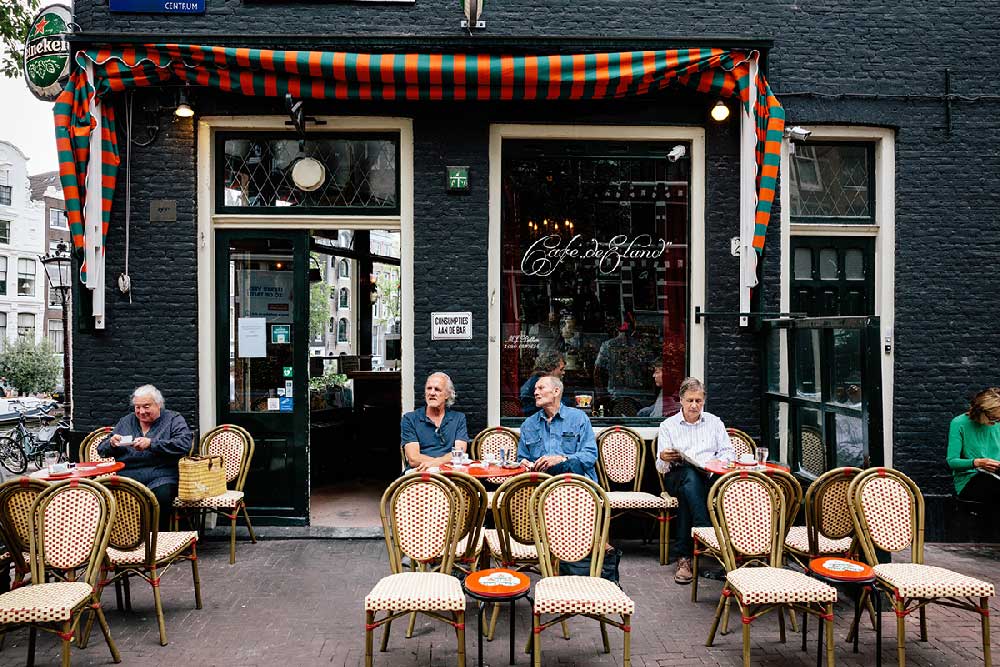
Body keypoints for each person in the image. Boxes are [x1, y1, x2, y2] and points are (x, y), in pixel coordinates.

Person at [655, 377, 735, 585]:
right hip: (677, 475)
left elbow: (729, 453)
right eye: (690, 400)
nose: (694, 405)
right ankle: (707, 532)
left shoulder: (714, 422)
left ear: (704, 401)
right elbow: (661, 467)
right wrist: (664, 458)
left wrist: (716, 461)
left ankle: (684, 558)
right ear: (680, 400)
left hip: (708, 477)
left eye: (698, 401)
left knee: (688, 494)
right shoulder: (668, 425)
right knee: (688, 477)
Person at [97, 385, 193, 526]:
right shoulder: (126, 422)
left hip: (162, 476)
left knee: (161, 496)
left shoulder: (173, 419)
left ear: (158, 404)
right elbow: (102, 450)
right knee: (103, 495)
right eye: (137, 407)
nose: (141, 411)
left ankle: (157, 541)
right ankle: (121, 540)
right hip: (128, 477)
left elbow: (184, 444)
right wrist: (111, 443)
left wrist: (152, 444)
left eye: (146, 407)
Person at [517, 375, 597, 481]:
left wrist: (562, 459)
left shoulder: (578, 418)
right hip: (541, 483)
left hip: (576, 483)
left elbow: (590, 455)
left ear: (556, 391)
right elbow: (521, 459)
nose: (535, 393)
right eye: (535, 389)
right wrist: (524, 463)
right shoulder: (529, 424)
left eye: (541, 388)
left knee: (572, 465)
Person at [400, 372, 469, 472]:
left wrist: (434, 464)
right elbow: (413, 459)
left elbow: (459, 453)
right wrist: (441, 463)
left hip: (450, 473)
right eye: (429, 388)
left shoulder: (458, 418)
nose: (432, 393)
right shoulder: (410, 419)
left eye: (437, 389)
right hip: (419, 473)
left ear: (447, 395)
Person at [947, 387, 1000, 503]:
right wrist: (978, 462)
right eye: (994, 418)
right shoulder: (959, 423)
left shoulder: (997, 422)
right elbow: (952, 461)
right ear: (980, 411)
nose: (996, 422)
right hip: (970, 479)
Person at [519, 350, 568, 416]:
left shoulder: (537, 380)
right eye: (561, 369)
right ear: (551, 368)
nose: (563, 373)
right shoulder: (541, 383)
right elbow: (558, 407)